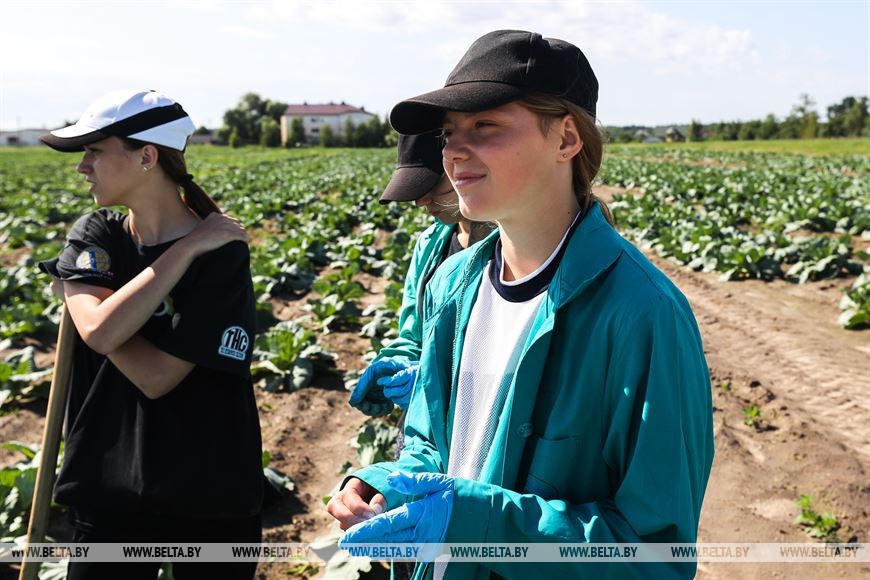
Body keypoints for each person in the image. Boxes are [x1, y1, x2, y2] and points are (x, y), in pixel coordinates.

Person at [327, 30, 715, 579]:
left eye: (485, 125)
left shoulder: (643, 315)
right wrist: (385, 484)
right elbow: (431, 448)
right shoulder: (452, 286)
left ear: (566, 139)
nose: (453, 150)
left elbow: (656, 559)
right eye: (448, 132)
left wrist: (480, 523)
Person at [39, 89, 263, 580]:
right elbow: (98, 331)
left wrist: (88, 306)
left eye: (95, 150)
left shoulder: (221, 253)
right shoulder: (98, 233)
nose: (82, 166)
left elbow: (155, 375)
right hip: (107, 490)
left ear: (147, 157)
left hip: (210, 495)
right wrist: (186, 249)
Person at [349, 131, 492, 420]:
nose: (421, 201)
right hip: (427, 422)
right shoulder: (429, 244)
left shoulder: (514, 248)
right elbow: (414, 335)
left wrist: (436, 380)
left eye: (431, 184)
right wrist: (397, 361)